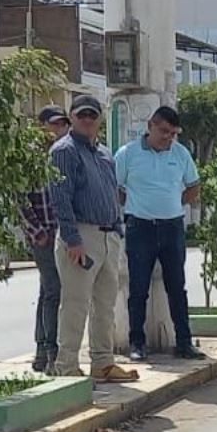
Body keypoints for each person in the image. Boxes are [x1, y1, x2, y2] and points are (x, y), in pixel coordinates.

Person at [48, 95, 139, 384]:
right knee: (75, 303)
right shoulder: (64, 150)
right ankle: (67, 367)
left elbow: (112, 193)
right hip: (81, 235)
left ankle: (103, 362)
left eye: (92, 115)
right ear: (72, 118)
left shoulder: (104, 153)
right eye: (81, 115)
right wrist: (72, 240)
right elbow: (60, 198)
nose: (87, 120)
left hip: (108, 234)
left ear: (99, 118)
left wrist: (117, 231)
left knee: (105, 303)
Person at [114, 104, 205, 362]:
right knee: (139, 287)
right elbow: (115, 187)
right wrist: (134, 205)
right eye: (164, 131)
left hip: (172, 227)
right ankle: (137, 343)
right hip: (139, 227)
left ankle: (184, 342)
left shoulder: (180, 153)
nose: (168, 137)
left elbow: (194, 185)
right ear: (150, 126)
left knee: (177, 287)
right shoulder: (128, 154)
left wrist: (176, 203)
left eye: (173, 133)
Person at [20, 105, 71, 371]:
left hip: (63, 234)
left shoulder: (64, 156)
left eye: (63, 124)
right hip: (43, 236)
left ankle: (42, 350)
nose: (59, 130)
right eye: (54, 124)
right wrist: (37, 232)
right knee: (54, 291)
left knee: (47, 291)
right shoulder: (30, 158)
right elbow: (20, 201)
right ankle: (50, 352)